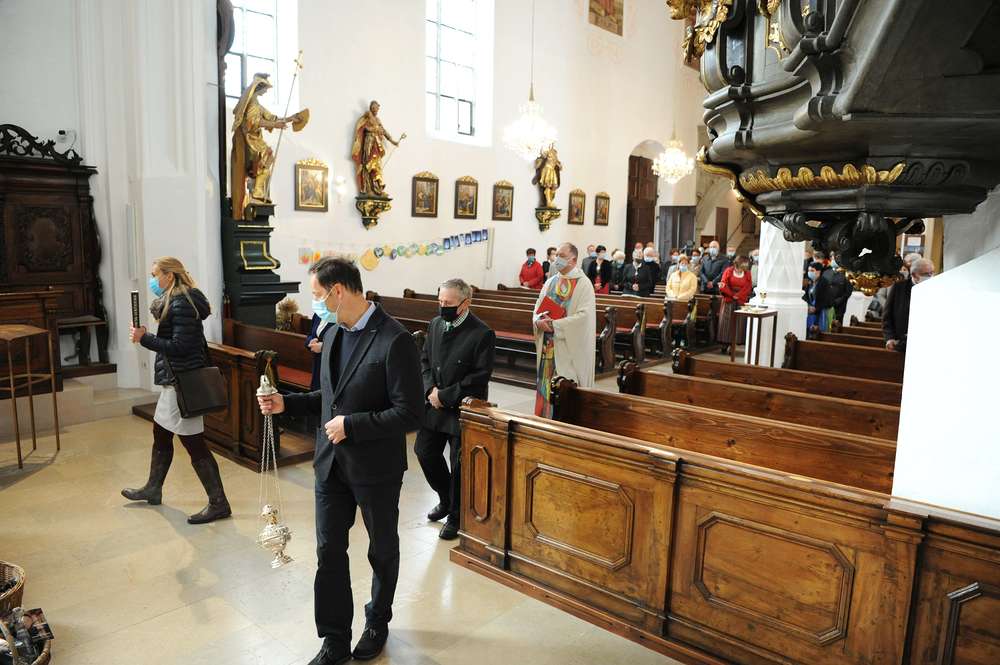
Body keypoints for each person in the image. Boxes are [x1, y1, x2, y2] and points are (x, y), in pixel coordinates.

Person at [257, 257, 423, 664]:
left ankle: (377, 621)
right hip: (330, 464)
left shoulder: (395, 339)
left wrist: (353, 425)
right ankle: (334, 638)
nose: (315, 303)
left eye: (317, 295)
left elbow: (410, 414)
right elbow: (329, 398)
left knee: (381, 549)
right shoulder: (332, 334)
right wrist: (286, 403)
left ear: (338, 291)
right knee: (329, 550)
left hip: (375, 467)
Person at [123, 257, 230, 525]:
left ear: (169, 276)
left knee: (194, 444)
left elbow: (181, 346)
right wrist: (146, 336)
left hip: (183, 382)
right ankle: (153, 488)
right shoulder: (175, 300)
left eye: (155, 274)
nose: (153, 280)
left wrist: (145, 339)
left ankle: (219, 503)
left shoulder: (182, 303)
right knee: (161, 433)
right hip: (174, 380)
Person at [415, 279, 495, 541]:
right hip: (434, 403)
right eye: (440, 301)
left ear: (465, 303)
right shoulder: (436, 324)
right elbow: (425, 360)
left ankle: (457, 516)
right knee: (424, 453)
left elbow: (479, 377)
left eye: (448, 303)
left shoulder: (482, 333)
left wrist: (445, 396)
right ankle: (446, 499)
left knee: (459, 465)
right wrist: (430, 390)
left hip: (463, 407)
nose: (442, 307)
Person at [533, 243, 596, 418]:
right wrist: (538, 321)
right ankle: (543, 422)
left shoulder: (583, 284)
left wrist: (556, 325)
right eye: (557, 255)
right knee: (546, 388)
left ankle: (566, 425)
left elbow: (584, 317)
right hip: (548, 347)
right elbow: (537, 308)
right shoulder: (551, 282)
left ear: (573, 260)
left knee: (565, 392)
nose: (557, 259)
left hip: (569, 349)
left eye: (561, 256)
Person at [884, 258, 935, 353]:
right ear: (914, 275)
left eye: (932, 273)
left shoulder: (937, 288)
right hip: (901, 343)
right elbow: (887, 316)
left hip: (928, 344)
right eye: (926, 274)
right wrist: (889, 338)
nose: (930, 276)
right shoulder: (898, 287)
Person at [716, 256, 753, 354]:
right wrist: (732, 295)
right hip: (729, 299)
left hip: (740, 300)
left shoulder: (747, 273)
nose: (745, 267)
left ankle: (733, 346)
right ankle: (724, 344)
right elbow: (723, 284)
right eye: (743, 265)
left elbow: (748, 287)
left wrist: (738, 295)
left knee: (738, 323)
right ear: (737, 263)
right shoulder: (729, 271)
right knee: (726, 323)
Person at [665, 255, 698, 347]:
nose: (683, 265)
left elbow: (692, 290)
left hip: (685, 303)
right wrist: (672, 295)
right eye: (682, 263)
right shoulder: (673, 275)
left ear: (688, 264)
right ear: (678, 264)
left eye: (685, 263)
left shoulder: (692, 276)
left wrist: (680, 297)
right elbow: (668, 287)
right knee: (671, 322)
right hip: (673, 301)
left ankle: (684, 340)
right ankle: (673, 339)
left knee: (683, 323)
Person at [821, 255, 854, 324]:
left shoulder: (846, 274)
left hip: (839, 307)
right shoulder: (826, 272)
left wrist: (837, 301)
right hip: (826, 306)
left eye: (835, 259)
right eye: (832, 258)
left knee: (836, 326)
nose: (833, 260)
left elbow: (848, 291)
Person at [804, 260, 834, 334]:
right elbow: (806, 296)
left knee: (819, 333)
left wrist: (816, 309)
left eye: (812, 270)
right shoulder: (810, 282)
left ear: (818, 271)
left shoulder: (824, 282)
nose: (809, 272)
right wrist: (808, 306)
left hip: (822, 312)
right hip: (811, 312)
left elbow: (826, 299)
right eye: (808, 270)